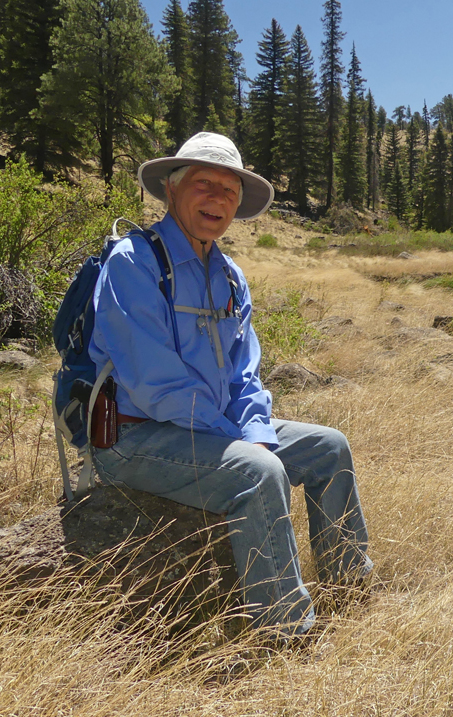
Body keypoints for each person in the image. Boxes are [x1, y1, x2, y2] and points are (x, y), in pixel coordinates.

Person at [88, 132, 372, 639]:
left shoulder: (230, 275)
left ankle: (349, 585)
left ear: (239, 204)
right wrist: (239, 442)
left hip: (213, 430)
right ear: (172, 190)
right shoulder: (133, 262)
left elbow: (245, 374)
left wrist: (255, 430)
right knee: (259, 472)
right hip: (135, 438)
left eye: (229, 189)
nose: (217, 197)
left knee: (329, 447)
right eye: (204, 183)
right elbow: (155, 384)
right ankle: (286, 632)